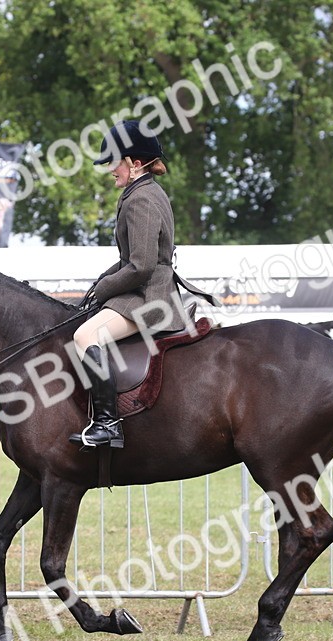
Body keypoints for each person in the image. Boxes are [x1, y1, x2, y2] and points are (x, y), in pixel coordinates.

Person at [68, 119, 213, 449]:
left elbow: (142, 265)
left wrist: (103, 290)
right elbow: (129, 261)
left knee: (85, 334)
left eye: (114, 162)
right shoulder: (141, 192)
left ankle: (107, 424)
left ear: (134, 163)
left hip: (150, 298)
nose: (110, 170)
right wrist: (99, 284)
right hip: (144, 291)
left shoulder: (142, 199)